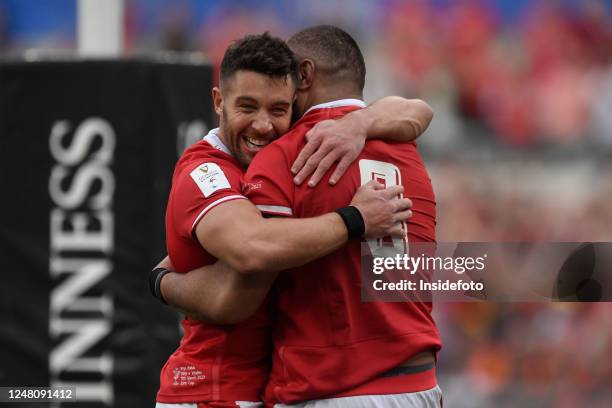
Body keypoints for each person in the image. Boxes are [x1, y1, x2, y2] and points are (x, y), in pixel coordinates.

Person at [153, 31, 433, 408]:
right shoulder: (207, 170)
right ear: (219, 102)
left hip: (302, 388)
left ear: (301, 84)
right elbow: (247, 261)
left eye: (279, 109)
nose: (263, 126)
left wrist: (360, 124)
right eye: (247, 107)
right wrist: (353, 219)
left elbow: (419, 109)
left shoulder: (287, 160)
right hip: (213, 391)